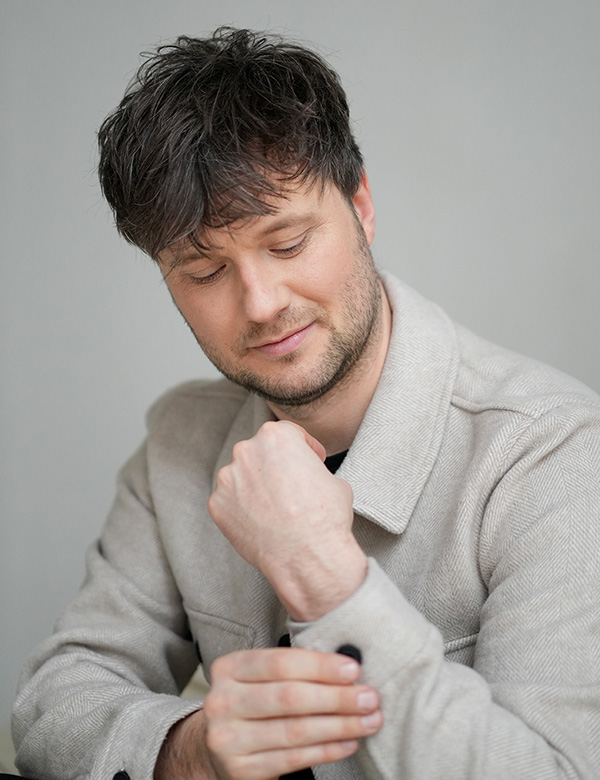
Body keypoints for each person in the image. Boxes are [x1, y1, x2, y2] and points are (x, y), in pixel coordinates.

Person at [11, 26, 600, 780]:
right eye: (203, 270)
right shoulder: (179, 442)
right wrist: (191, 751)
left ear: (361, 205)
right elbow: (53, 703)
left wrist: (327, 575)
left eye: (286, 244)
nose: (259, 303)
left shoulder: (552, 451)